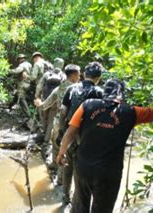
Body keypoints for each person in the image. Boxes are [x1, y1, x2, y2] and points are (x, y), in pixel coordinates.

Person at [56, 79, 153, 212]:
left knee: (80, 206)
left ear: (105, 92)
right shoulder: (131, 112)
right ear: (121, 94)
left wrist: (61, 153)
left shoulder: (87, 105)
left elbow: (70, 132)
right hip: (109, 172)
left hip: (83, 167)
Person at [57, 62, 105, 205]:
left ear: (84, 74)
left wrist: (62, 131)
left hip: (70, 134)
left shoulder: (71, 88)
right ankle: (77, 200)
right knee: (82, 171)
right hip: (87, 138)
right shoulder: (99, 92)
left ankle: (65, 195)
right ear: (99, 77)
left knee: (68, 165)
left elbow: (63, 111)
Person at [34, 64, 81, 180]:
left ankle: (55, 166)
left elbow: (45, 106)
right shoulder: (79, 90)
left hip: (57, 123)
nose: (80, 77)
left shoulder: (58, 89)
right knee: (67, 152)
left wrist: (38, 103)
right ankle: (60, 178)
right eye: (79, 74)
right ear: (74, 75)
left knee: (56, 147)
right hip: (71, 125)